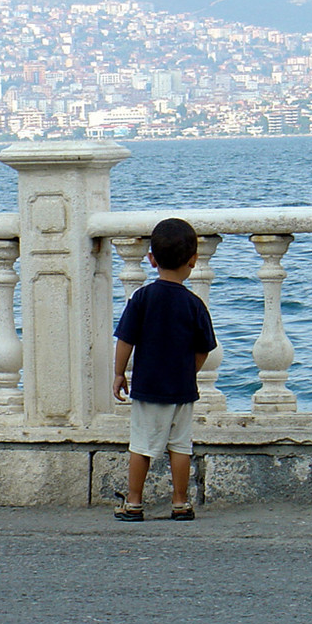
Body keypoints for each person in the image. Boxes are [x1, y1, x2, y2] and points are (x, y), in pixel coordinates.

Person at [112, 217, 216, 521]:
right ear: (194, 261)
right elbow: (204, 348)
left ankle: (133, 502)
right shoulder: (194, 303)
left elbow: (125, 340)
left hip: (148, 388)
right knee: (180, 446)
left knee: (141, 445)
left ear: (151, 259)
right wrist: (188, 372)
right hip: (181, 390)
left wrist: (120, 373)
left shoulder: (142, 298)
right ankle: (180, 502)